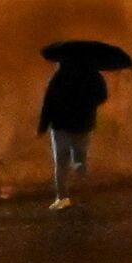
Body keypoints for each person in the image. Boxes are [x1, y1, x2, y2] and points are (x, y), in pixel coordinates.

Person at [38, 60, 108, 209]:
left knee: (62, 162)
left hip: (61, 126)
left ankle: (63, 198)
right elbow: (102, 95)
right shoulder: (90, 77)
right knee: (80, 161)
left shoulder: (57, 79)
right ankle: (84, 195)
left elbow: (48, 103)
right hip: (83, 125)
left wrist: (44, 123)